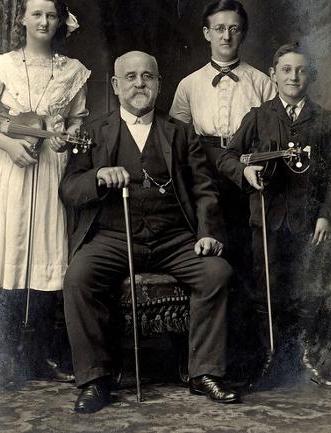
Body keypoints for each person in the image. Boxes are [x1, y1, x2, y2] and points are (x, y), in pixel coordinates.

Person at [60, 50, 240, 414]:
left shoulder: (180, 132)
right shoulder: (93, 132)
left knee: (216, 272)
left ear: (159, 84)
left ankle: (204, 372)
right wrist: (96, 176)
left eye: (147, 77)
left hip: (174, 238)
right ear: (115, 85)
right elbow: (69, 189)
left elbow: (204, 187)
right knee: (78, 278)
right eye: (130, 77)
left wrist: (208, 233)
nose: (139, 83)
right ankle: (96, 380)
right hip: (113, 237)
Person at [0, 0, 91, 383]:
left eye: (50, 15)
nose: (43, 22)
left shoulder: (73, 71)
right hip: (10, 169)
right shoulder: (1, 65)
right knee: (9, 250)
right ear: (22, 18)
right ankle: (4, 357)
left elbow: (77, 121)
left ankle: (42, 354)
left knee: (48, 255)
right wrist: (8, 145)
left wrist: (61, 137)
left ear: (60, 20)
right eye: (36, 14)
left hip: (50, 168)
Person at [216, 43, 331, 386]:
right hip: (267, 218)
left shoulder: (324, 120)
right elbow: (227, 157)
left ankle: (305, 357)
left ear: (310, 76)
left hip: (308, 223)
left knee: (306, 288)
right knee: (266, 288)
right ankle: (267, 358)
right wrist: (245, 172)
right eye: (286, 69)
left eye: (301, 70)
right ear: (273, 75)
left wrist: (326, 215)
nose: (293, 76)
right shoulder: (258, 117)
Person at [170, 0, 276, 378]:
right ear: (206, 33)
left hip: (246, 176)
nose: (226, 35)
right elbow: (178, 142)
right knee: (208, 260)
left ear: (242, 33)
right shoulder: (189, 85)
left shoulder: (261, 82)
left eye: (234, 28)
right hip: (204, 177)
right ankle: (196, 360)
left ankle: (242, 360)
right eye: (219, 28)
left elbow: (270, 133)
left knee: (245, 264)